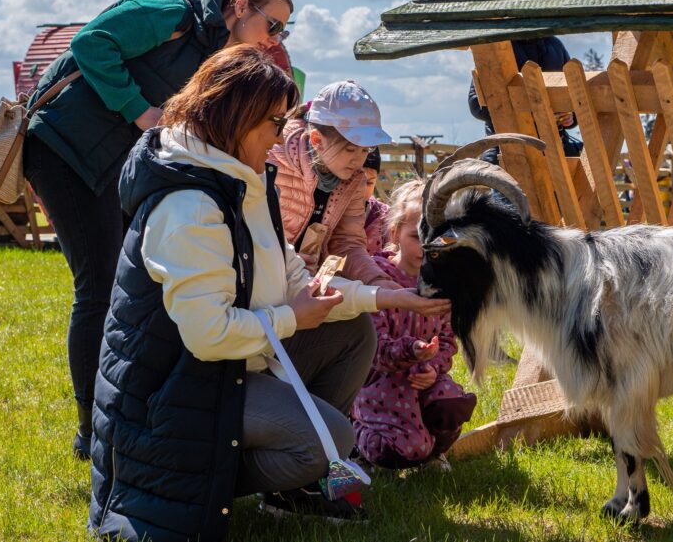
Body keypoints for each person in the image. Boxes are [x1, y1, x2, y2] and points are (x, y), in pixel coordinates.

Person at [88, 45, 450, 541]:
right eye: (275, 124)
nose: (283, 136)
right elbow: (209, 337)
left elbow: (300, 282)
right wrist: (291, 319)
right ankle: (209, 478)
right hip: (173, 390)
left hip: (222, 367)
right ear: (235, 117)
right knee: (333, 439)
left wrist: (393, 298)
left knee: (351, 333)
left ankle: (289, 479)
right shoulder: (190, 205)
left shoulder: (246, 177)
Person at [23, 0, 293, 460]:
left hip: (115, 166)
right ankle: (92, 430)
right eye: (272, 25)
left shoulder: (218, 54)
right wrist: (141, 111)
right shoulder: (170, 13)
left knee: (136, 286)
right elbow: (92, 43)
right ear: (240, 7)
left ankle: (128, 410)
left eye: (282, 31)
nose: (274, 38)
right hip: (64, 150)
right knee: (99, 285)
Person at [353, 179, 477, 472]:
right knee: (408, 449)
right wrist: (411, 351)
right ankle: (360, 439)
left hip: (424, 377)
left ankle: (434, 451)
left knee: (452, 404)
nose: (427, 247)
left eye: (438, 239)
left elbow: (447, 341)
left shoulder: (442, 284)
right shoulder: (378, 280)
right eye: (415, 236)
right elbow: (374, 349)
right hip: (381, 382)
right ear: (394, 233)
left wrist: (434, 367)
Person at [268, 81, 399, 288]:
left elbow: (347, 243)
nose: (359, 161)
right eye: (350, 149)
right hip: (262, 282)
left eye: (365, 150)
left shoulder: (354, 180)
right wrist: (290, 265)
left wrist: (378, 281)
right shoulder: (274, 160)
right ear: (317, 140)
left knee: (361, 321)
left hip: (305, 284)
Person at [467, 36, 583, 163]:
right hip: (505, 148)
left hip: (557, 147)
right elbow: (476, 105)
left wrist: (570, 116)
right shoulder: (496, 48)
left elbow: (573, 97)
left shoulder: (555, 45)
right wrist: (527, 115)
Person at [362, 148, 389, 256]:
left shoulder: (383, 216)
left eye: (369, 183)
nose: (362, 189)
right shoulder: (331, 210)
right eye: (355, 181)